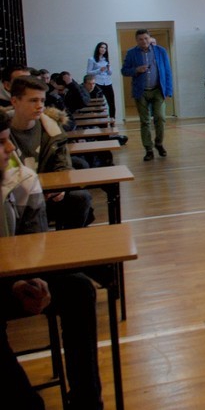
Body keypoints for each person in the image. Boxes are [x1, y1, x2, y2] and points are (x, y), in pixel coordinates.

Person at [0, 115, 105, 410]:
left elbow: (33, 239)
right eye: (1, 142)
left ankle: (86, 402)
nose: (10, 148)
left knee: (79, 289)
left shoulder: (19, 178)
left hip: (13, 276)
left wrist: (32, 279)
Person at [5, 76, 94, 229]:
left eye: (42, 100)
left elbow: (63, 165)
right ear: (14, 101)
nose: (40, 106)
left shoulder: (51, 129)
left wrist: (60, 188)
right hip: (13, 196)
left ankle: (67, 240)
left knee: (80, 197)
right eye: (33, 100)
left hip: (47, 193)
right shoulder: (3, 131)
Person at [121, 28, 173, 161]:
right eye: (140, 39)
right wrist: (136, 70)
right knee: (145, 121)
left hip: (158, 90)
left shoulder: (160, 51)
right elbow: (124, 71)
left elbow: (167, 71)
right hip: (141, 91)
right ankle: (148, 149)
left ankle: (159, 143)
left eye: (146, 38)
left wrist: (169, 90)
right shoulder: (131, 53)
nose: (143, 41)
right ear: (136, 40)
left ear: (149, 38)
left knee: (160, 118)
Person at [86, 41, 116, 120]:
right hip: (97, 82)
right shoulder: (92, 59)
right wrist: (99, 70)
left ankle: (112, 119)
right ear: (98, 48)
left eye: (105, 48)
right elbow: (88, 72)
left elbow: (110, 73)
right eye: (102, 47)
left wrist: (108, 69)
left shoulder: (106, 60)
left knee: (111, 102)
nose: (103, 49)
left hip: (107, 82)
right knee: (99, 102)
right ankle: (100, 120)